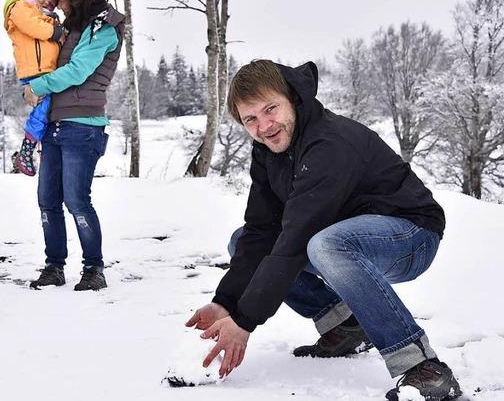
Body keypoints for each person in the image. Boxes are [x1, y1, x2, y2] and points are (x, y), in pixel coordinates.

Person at [185, 60, 462, 400]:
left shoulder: (329, 142)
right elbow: (262, 230)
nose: (264, 125)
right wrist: (225, 302)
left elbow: (297, 237)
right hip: (341, 237)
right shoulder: (268, 151)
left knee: (324, 244)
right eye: (250, 119)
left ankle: (422, 367)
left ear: (292, 99)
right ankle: (344, 326)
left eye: (270, 109)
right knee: (243, 240)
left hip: (410, 236)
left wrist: (244, 322)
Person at [24, 0, 125, 291]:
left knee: (77, 200)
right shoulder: (72, 27)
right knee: (47, 200)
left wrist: (38, 85)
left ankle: (94, 269)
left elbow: (79, 70)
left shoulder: (103, 28)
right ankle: (54, 266)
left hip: (83, 126)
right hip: (56, 124)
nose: (61, 4)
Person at [3, 0, 66, 176]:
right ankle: (26, 149)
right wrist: (56, 32)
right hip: (35, 72)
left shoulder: (48, 18)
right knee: (43, 109)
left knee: (49, 112)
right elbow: (32, 26)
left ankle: (41, 149)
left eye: (53, 3)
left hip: (47, 72)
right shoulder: (20, 8)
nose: (48, 3)